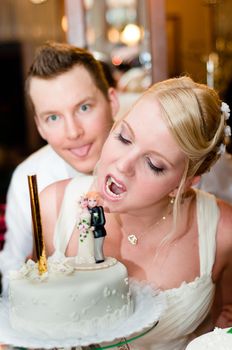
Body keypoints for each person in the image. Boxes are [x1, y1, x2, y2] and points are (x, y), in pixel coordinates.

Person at [39, 76, 232, 349]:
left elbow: (221, 327)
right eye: (124, 137)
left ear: (184, 183)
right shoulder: (52, 208)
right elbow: (30, 310)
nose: (123, 165)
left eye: (154, 164)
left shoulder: (223, 231)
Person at [0, 41, 119, 294]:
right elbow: (12, 268)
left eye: (84, 107)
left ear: (112, 102)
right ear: (40, 127)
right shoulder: (26, 179)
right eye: (53, 117)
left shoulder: (160, 162)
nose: (73, 132)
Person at [87, 191, 107, 263]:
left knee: (98, 247)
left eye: (94, 201)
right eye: (90, 200)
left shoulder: (99, 209)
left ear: (98, 201)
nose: (92, 203)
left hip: (99, 232)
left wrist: (95, 227)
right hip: (93, 233)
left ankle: (100, 259)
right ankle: (96, 258)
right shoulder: (89, 210)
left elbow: (102, 221)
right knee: (94, 247)